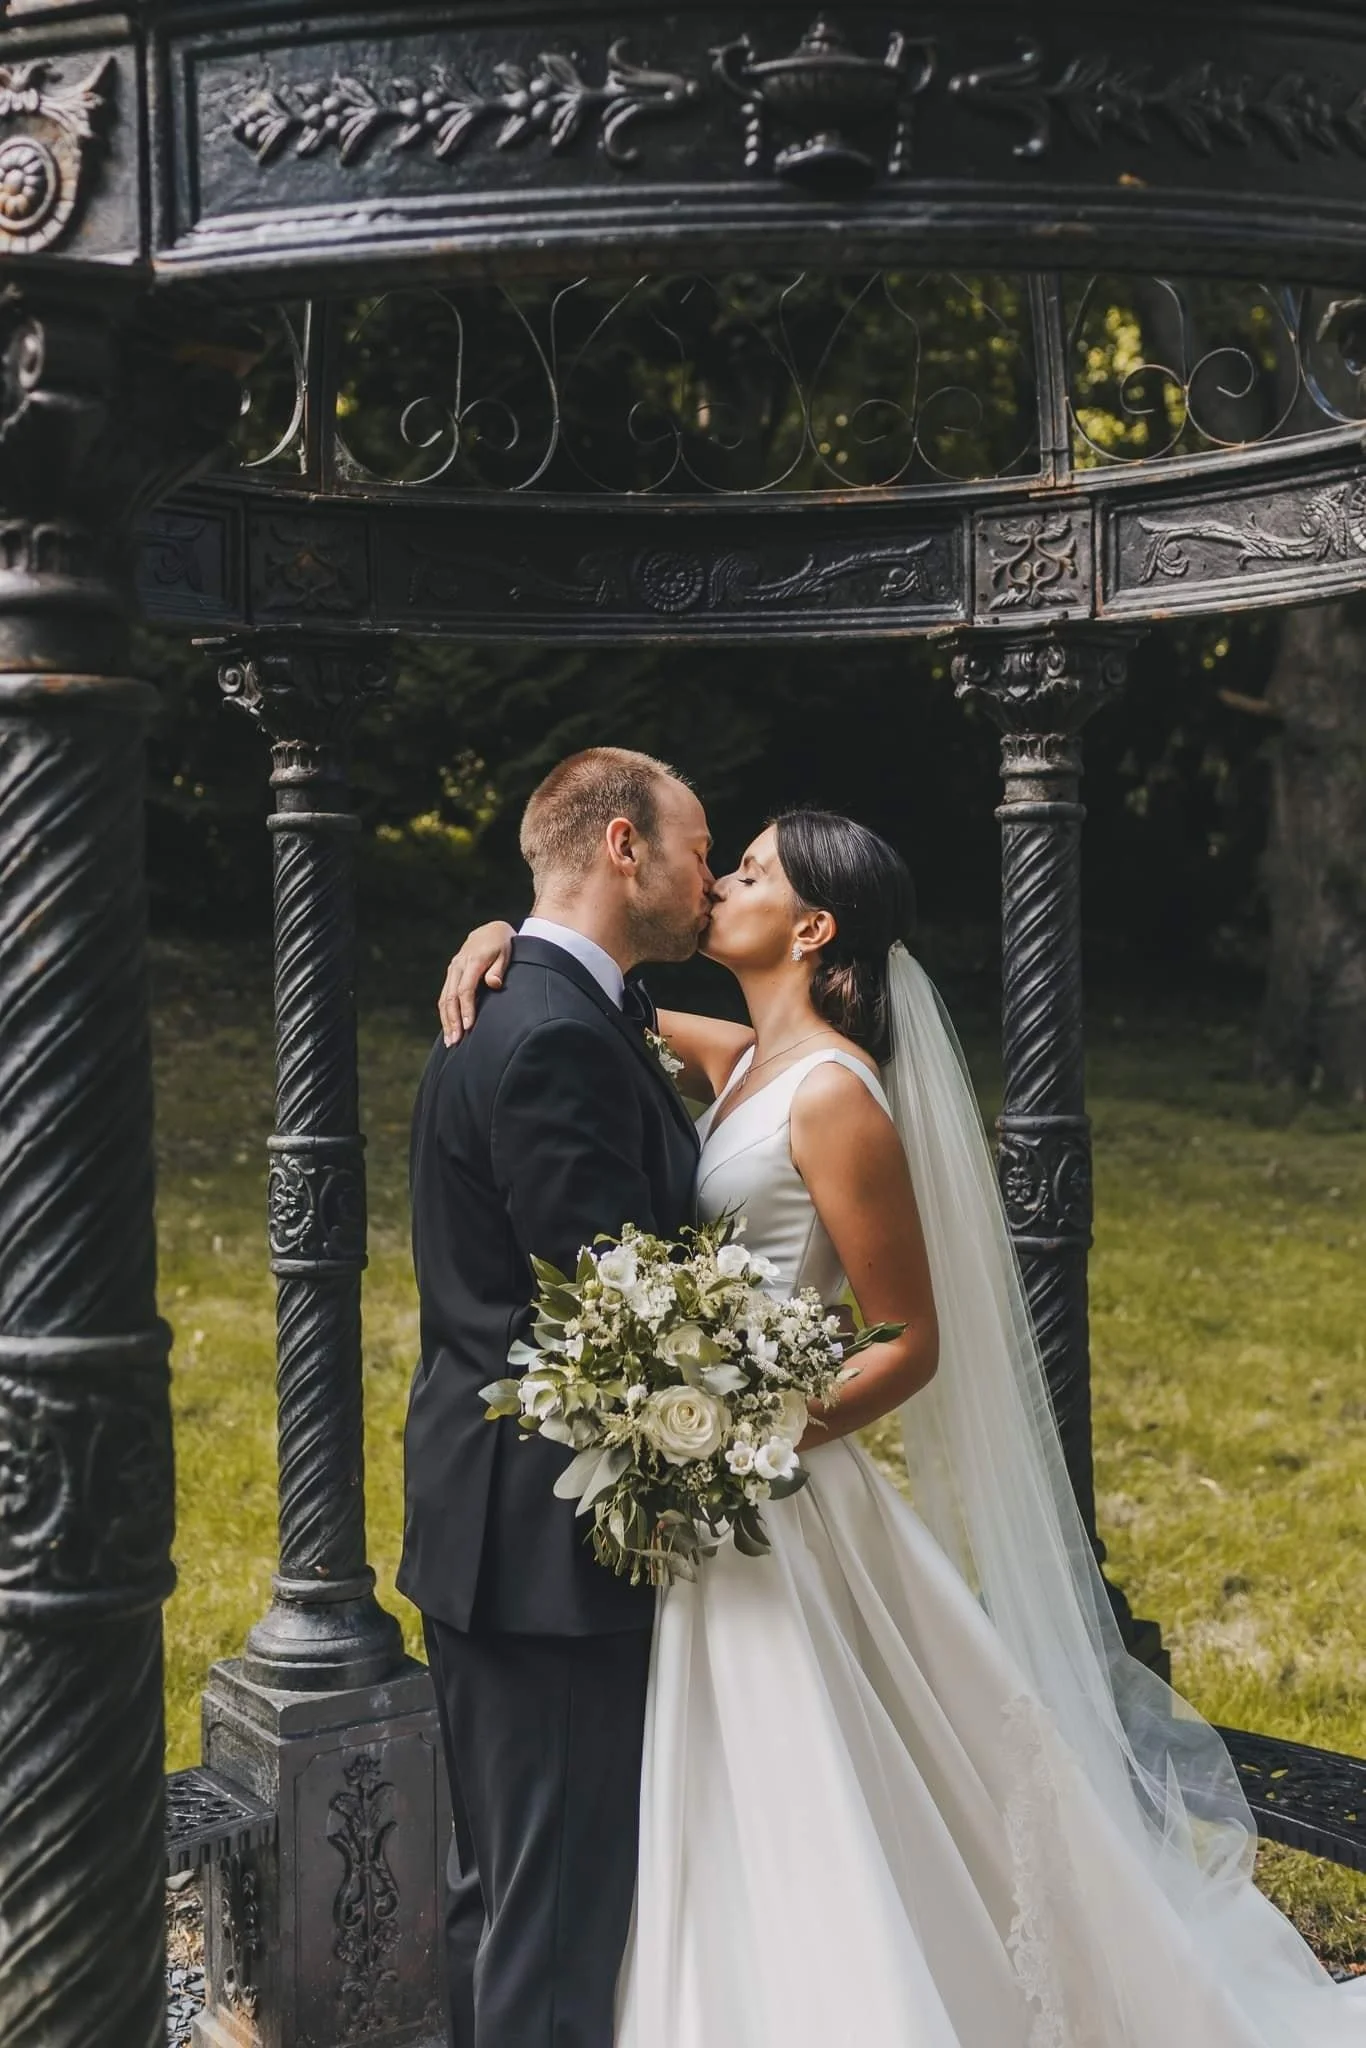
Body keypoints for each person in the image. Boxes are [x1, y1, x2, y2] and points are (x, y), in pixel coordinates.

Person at [440, 806, 1366, 2048]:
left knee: (806, 1785)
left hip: (765, 1483)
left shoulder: (832, 1094)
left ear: (811, 925)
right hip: (693, 1493)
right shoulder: (741, 1058)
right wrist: (504, 932)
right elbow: (590, 1007)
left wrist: (748, 1430)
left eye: (752, 870)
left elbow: (907, 1337)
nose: (719, 880)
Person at [401, 746, 714, 2048]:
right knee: (553, 1921)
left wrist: (509, 941)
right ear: (625, 846)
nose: (710, 873)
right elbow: (615, 1310)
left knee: (516, 1899)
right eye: (701, 845)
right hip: (552, 1547)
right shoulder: (545, 1039)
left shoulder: (554, 1011)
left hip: (499, 1531)